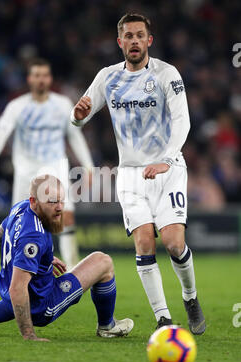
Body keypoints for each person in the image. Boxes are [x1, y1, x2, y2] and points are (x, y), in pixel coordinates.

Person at [70, 13, 205, 334]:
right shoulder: (107, 77)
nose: (133, 40)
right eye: (127, 36)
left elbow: (183, 120)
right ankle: (163, 318)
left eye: (139, 35)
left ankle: (190, 297)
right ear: (119, 42)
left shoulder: (166, 74)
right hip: (130, 174)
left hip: (167, 170)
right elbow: (81, 115)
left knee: (174, 243)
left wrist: (168, 158)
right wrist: (76, 117)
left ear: (149, 41)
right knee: (144, 242)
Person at [0, 175, 134, 340]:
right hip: (42, 306)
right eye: (53, 202)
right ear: (34, 201)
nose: (60, 207)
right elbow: (18, 290)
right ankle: (107, 326)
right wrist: (29, 335)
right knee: (103, 262)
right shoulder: (33, 235)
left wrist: (39, 258)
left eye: (62, 201)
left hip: (13, 295)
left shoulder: (19, 207)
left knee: (18, 288)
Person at [0, 58, 94, 270]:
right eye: (36, 75)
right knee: (18, 218)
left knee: (66, 214)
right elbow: (3, 131)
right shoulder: (17, 106)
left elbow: (75, 136)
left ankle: (70, 269)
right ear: (29, 79)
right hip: (26, 168)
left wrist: (87, 165)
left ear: (49, 78)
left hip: (56, 165)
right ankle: (15, 266)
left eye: (44, 75)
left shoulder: (62, 104)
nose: (41, 80)